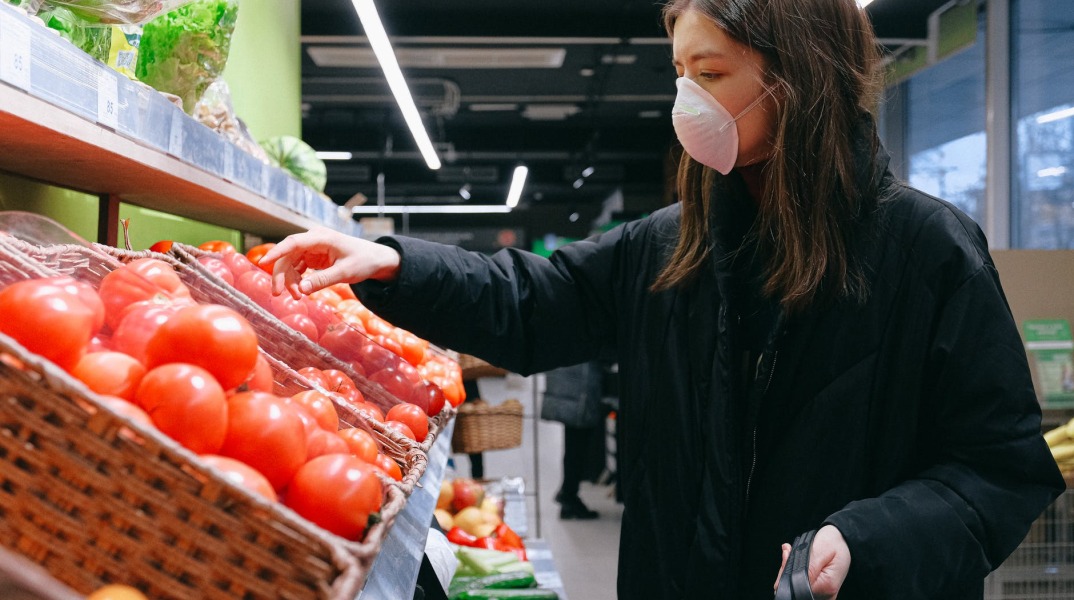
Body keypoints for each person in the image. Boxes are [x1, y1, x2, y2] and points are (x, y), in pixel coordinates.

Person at [260, 0, 1065, 597]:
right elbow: (537, 298)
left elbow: (998, 470)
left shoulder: (927, 252)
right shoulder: (673, 243)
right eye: (680, 73)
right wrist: (393, 263)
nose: (688, 100)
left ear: (799, 79)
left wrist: (869, 539)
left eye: (711, 75)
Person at [540, 360, 607, 520]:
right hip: (580, 385)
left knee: (573, 443)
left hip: (568, 382)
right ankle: (569, 494)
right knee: (578, 444)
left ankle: (568, 494)